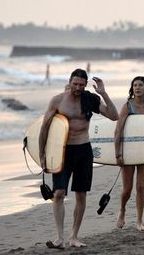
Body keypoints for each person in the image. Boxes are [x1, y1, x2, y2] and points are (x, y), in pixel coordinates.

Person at [39, 69, 118, 249]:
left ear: (85, 85)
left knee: (81, 194)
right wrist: (42, 154)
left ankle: (74, 237)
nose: (78, 87)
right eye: (75, 84)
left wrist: (103, 93)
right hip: (62, 152)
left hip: (83, 150)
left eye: (81, 85)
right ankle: (59, 238)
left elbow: (114, 116)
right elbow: (44, 128)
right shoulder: (58, 100)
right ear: (70, 81)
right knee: (58, 193)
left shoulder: (89, 99)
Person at [114, 76, 144, 231]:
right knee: (127, 188)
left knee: (140, 187)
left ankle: (139, 221)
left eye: (140, 85)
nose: (137, 88)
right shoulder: (127, 106)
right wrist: (117, 154)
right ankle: (122, 210)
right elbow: (118, 131)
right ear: (132, 88)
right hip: (128, 151)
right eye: (135, 85)